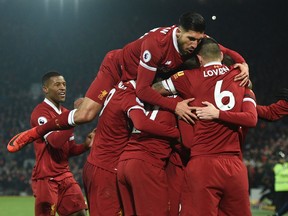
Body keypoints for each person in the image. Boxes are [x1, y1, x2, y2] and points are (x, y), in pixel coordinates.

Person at [7, 11, 249, 152]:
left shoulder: (197, 39)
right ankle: (36, 131)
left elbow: (225, 52)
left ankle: (95, 99)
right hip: (118, 69)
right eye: (190, 39)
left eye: (198, 40)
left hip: (141, 78)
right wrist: (175, 106)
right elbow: (143, 91)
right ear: (178, 31)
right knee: (85, 116)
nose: (194, 45)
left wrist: (243, 63)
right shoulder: (156, 44)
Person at [152, 38, 257, 215]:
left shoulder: (188, 77)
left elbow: (154, 90)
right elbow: (251, 115)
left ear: (199, 60)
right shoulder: (239, 76)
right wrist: (243, 64)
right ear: (222, 55)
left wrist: (176, 104)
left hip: (203, 163)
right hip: (234, 165)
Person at [82, 80, 180, 215]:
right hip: (106, 168)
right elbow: (141, 123)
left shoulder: (119, 87)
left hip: (104, 163)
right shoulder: (130, 95)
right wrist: (175, 133)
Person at [28, 72, 93, 216]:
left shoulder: (65, 113)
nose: (63, 88)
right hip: (47, 178)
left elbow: (69, 150)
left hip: (65, 175)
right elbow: (54, 142)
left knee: (80, 214)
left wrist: (85, 146)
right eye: (57, 85)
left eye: (64, 84)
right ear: (45, 89)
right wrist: (74, 117)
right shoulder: (41, 113)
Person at [117, 94, 182, 216]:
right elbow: (186, 144)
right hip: (146, 164)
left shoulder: (142, 97)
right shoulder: (179, 103)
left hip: (124, 162)